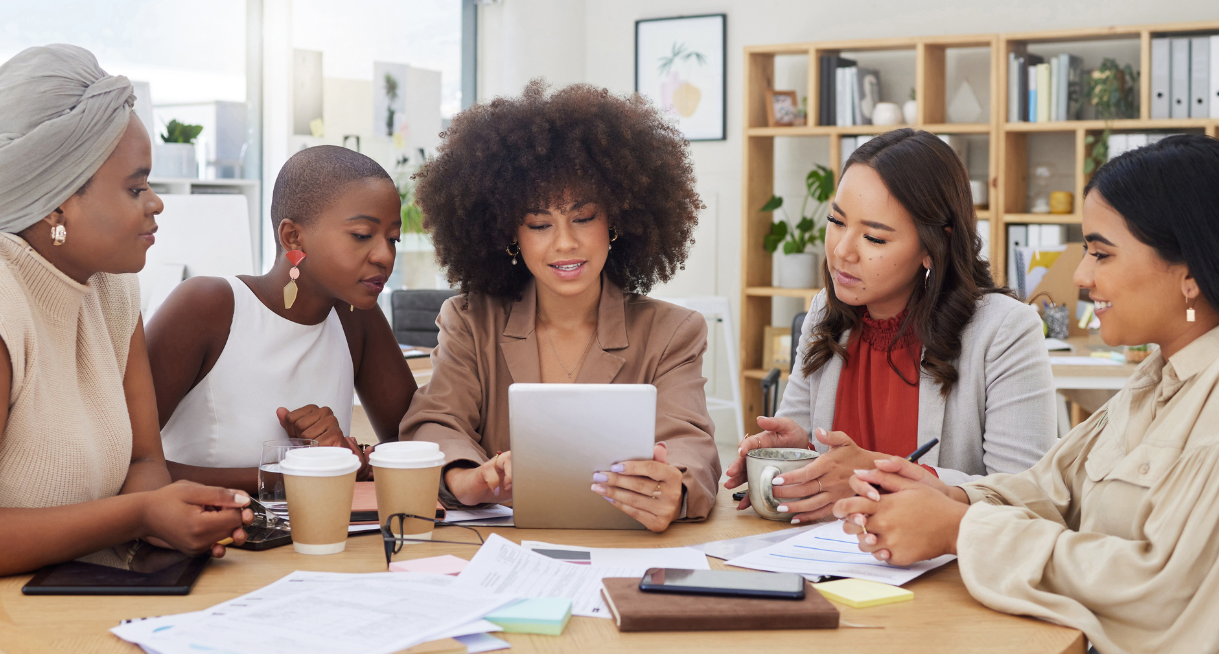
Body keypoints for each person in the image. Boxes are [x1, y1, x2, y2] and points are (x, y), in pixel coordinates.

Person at [834, 135, 1219, 654]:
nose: (1081, 276)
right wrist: (945, 493)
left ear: (1188, 272)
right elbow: (1053, 487)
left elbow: (1164, 594)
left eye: (1101, 253)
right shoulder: (1157, 380)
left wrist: (960, 529)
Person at [0, 45, 251, 654]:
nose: (156, 204)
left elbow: (143, 459)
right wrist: (140, 515)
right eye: (136, 187)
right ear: (58, 200)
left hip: (79, 608)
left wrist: (174, 530)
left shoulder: (111, 286)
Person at [398, 80, 721, 532]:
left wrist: (677, 488)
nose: (565, 243)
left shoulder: (672, 331)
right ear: (512, 232)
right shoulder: (471, 322)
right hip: (500, 555)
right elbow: (435, 422)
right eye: (539, 223)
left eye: (584, 218)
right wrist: (466, 479)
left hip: (626, 549)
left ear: (617, 219)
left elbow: (691, 445)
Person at [724, 129, 1056, 523]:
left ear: (935, 246)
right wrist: (801, 455)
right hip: (829, 558)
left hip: (938, 573)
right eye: (836, 221)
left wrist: (871, 476)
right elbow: (811, 455)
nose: (842, 251)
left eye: (874, 238)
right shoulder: (824, 311)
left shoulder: (1003, 330)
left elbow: (1026, 498)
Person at [147, 146, 417, 492]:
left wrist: (354, 458)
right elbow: (122, 464)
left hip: (320, 535)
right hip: (210, 543)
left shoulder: (356, 316)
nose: (385, 256)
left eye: (393, 239)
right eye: (363, 235)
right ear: (293, 237)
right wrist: (287, 476)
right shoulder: (206, 307)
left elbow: (410, 442)